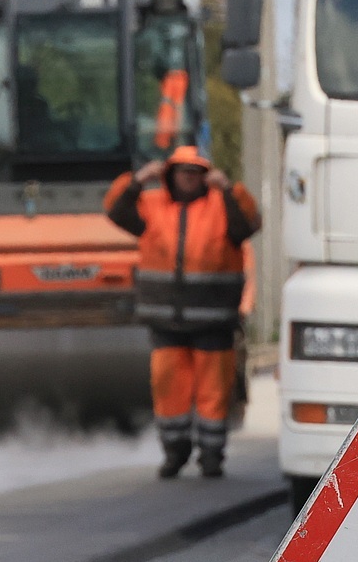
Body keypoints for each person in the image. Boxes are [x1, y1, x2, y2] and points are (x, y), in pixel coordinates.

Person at [104, 145, 260, 479]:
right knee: (168, 388)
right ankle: (175, 452)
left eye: (195, 173)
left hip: (213, 320)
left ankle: (212, 455)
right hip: (167, 321)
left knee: (213, 392)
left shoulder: (222, 205)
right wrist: (136, 180)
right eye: (182, 172)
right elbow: (116, 211)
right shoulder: (152, 205)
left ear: (204, 176)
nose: (188, 179)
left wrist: (230, 189)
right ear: (170, 175)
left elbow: (248, 224)